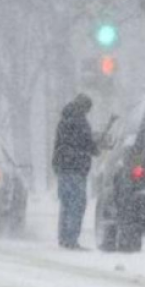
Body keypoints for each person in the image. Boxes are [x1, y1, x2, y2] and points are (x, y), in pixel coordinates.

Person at [52, 93, 98, 250]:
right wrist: (95, 147)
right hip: (76, 168)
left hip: (63, 167)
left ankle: (64, 237)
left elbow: (62, 144)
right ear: (84, 107)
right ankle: (71, 239)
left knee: (66, 204)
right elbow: (87, 144)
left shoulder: (64, 119)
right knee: (77, 204)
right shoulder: (80, 121)